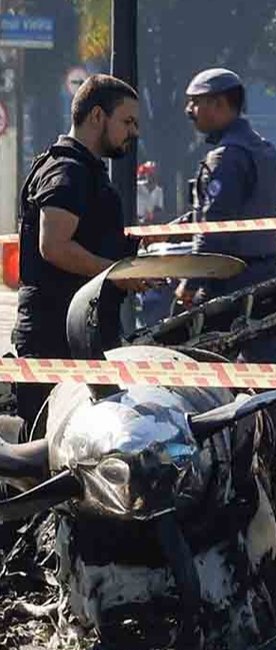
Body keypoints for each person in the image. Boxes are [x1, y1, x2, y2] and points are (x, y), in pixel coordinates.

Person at [12, 74, 142, 432]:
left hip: (82, 332)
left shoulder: (84, 171)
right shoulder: (66, 171)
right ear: (97, 116)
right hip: (54, 334)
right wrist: (116, 272)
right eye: (127, 122)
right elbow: (53, 247)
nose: (133, 132)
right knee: (43, 455)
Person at [175, 67, 276, 361]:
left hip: (231, 280)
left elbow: (214, 229)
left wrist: (191, 282)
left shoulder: (226, 157)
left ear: (219, 104)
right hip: (267, 272)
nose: (190, 110)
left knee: (197, 359)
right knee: (266, 363)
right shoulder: (262, 148)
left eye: (196, 102)